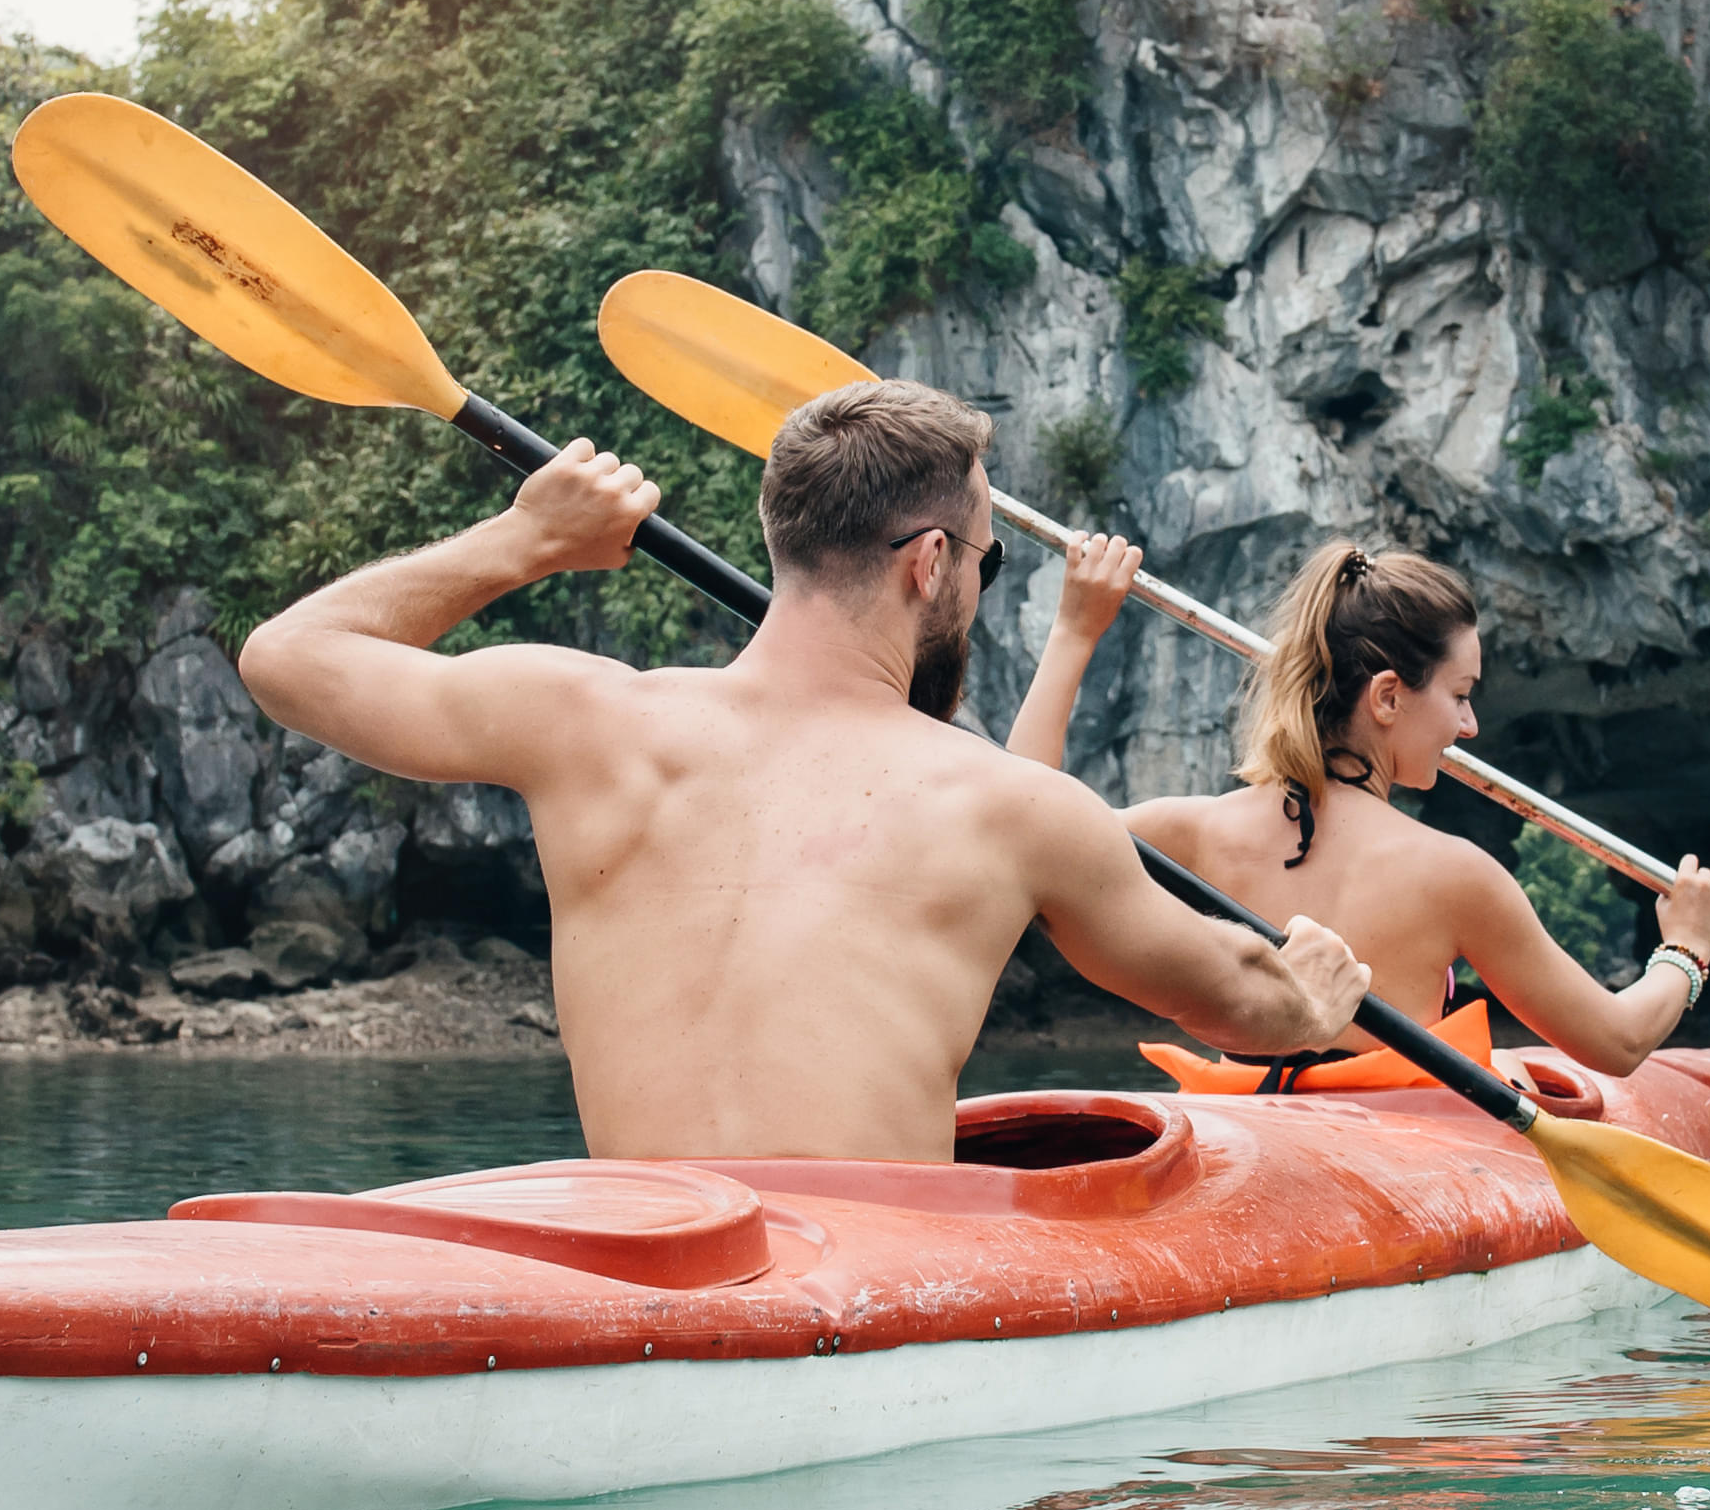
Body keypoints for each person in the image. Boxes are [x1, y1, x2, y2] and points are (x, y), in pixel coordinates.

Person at [235, 379, 1368, 1161]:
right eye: (987, 557)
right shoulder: (1011, 804)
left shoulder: (588, 720)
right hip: (865, 1284)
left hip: (637, 1249)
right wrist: (1308, 985)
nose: (980, 578)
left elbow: (287, 658)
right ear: (931, 564)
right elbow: (1242, 1008)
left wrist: (522, 540)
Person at [1010, 532, 1710, 1081]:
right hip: (1379, 1183)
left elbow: (1022, 829)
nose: (1469, 726)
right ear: (1388, 696)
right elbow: (1615, 1042)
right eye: (1459, 694)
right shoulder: (1454, 874)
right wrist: (1686, 947)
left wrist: (1075, 629)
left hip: (1238, 1155)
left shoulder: (1190, 831)